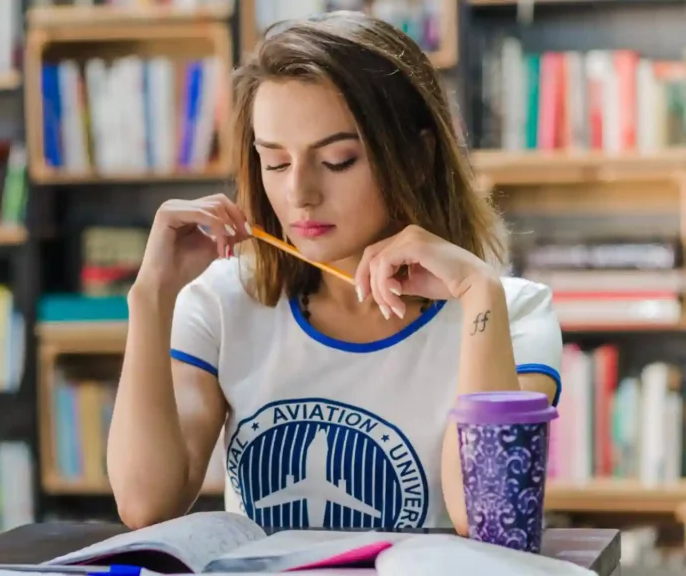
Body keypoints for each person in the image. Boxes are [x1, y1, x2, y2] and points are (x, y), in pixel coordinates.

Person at [105, 11, 562, 535]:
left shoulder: (514, 313)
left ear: (416, 157)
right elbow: (145, 505)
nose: (300, 193)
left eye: (339, 160)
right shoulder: (222, 302)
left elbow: (487, 521)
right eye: (275, 163)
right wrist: (150, 297)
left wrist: (478, 292)